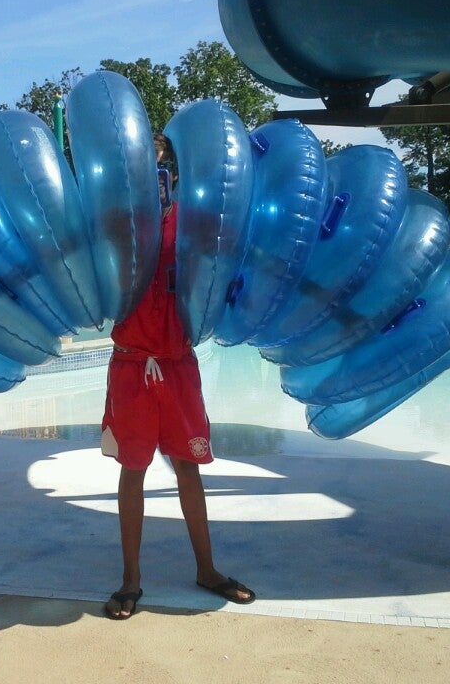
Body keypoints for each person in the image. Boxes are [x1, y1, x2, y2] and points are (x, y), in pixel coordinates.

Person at [101, 131, 255, 620]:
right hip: (131, 363)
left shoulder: (192, 225)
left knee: (187, 468)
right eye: (150, 162)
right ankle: (130, 580)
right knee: (133, 471)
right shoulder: (115, 224)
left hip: (178, 363)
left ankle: (207, 570)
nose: (158, 171)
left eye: (164, 162)